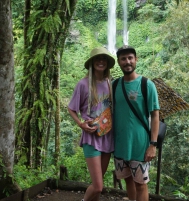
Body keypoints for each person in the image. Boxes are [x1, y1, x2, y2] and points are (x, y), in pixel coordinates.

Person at [68, 47, 115, 201]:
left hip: (107, 135)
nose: (101, 62)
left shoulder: (110, 83)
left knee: (98, 189)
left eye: (104, 59)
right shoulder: (83, 84)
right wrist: (81, 124)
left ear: (107, 63)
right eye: (97, 59)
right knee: (98, 186)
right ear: (92, 63)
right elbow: (71, 108)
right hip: (91, 137)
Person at [113, 45, 160, 201]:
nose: (127, 62)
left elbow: (155, 116)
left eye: (130, 58)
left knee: (141, 184)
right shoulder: (114, 85)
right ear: (118, 62)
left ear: (136, 59)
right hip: (120, 144)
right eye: (123, 59)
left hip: (140, 144)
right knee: (128, 180)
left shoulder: (147, 85)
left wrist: (153, 145)